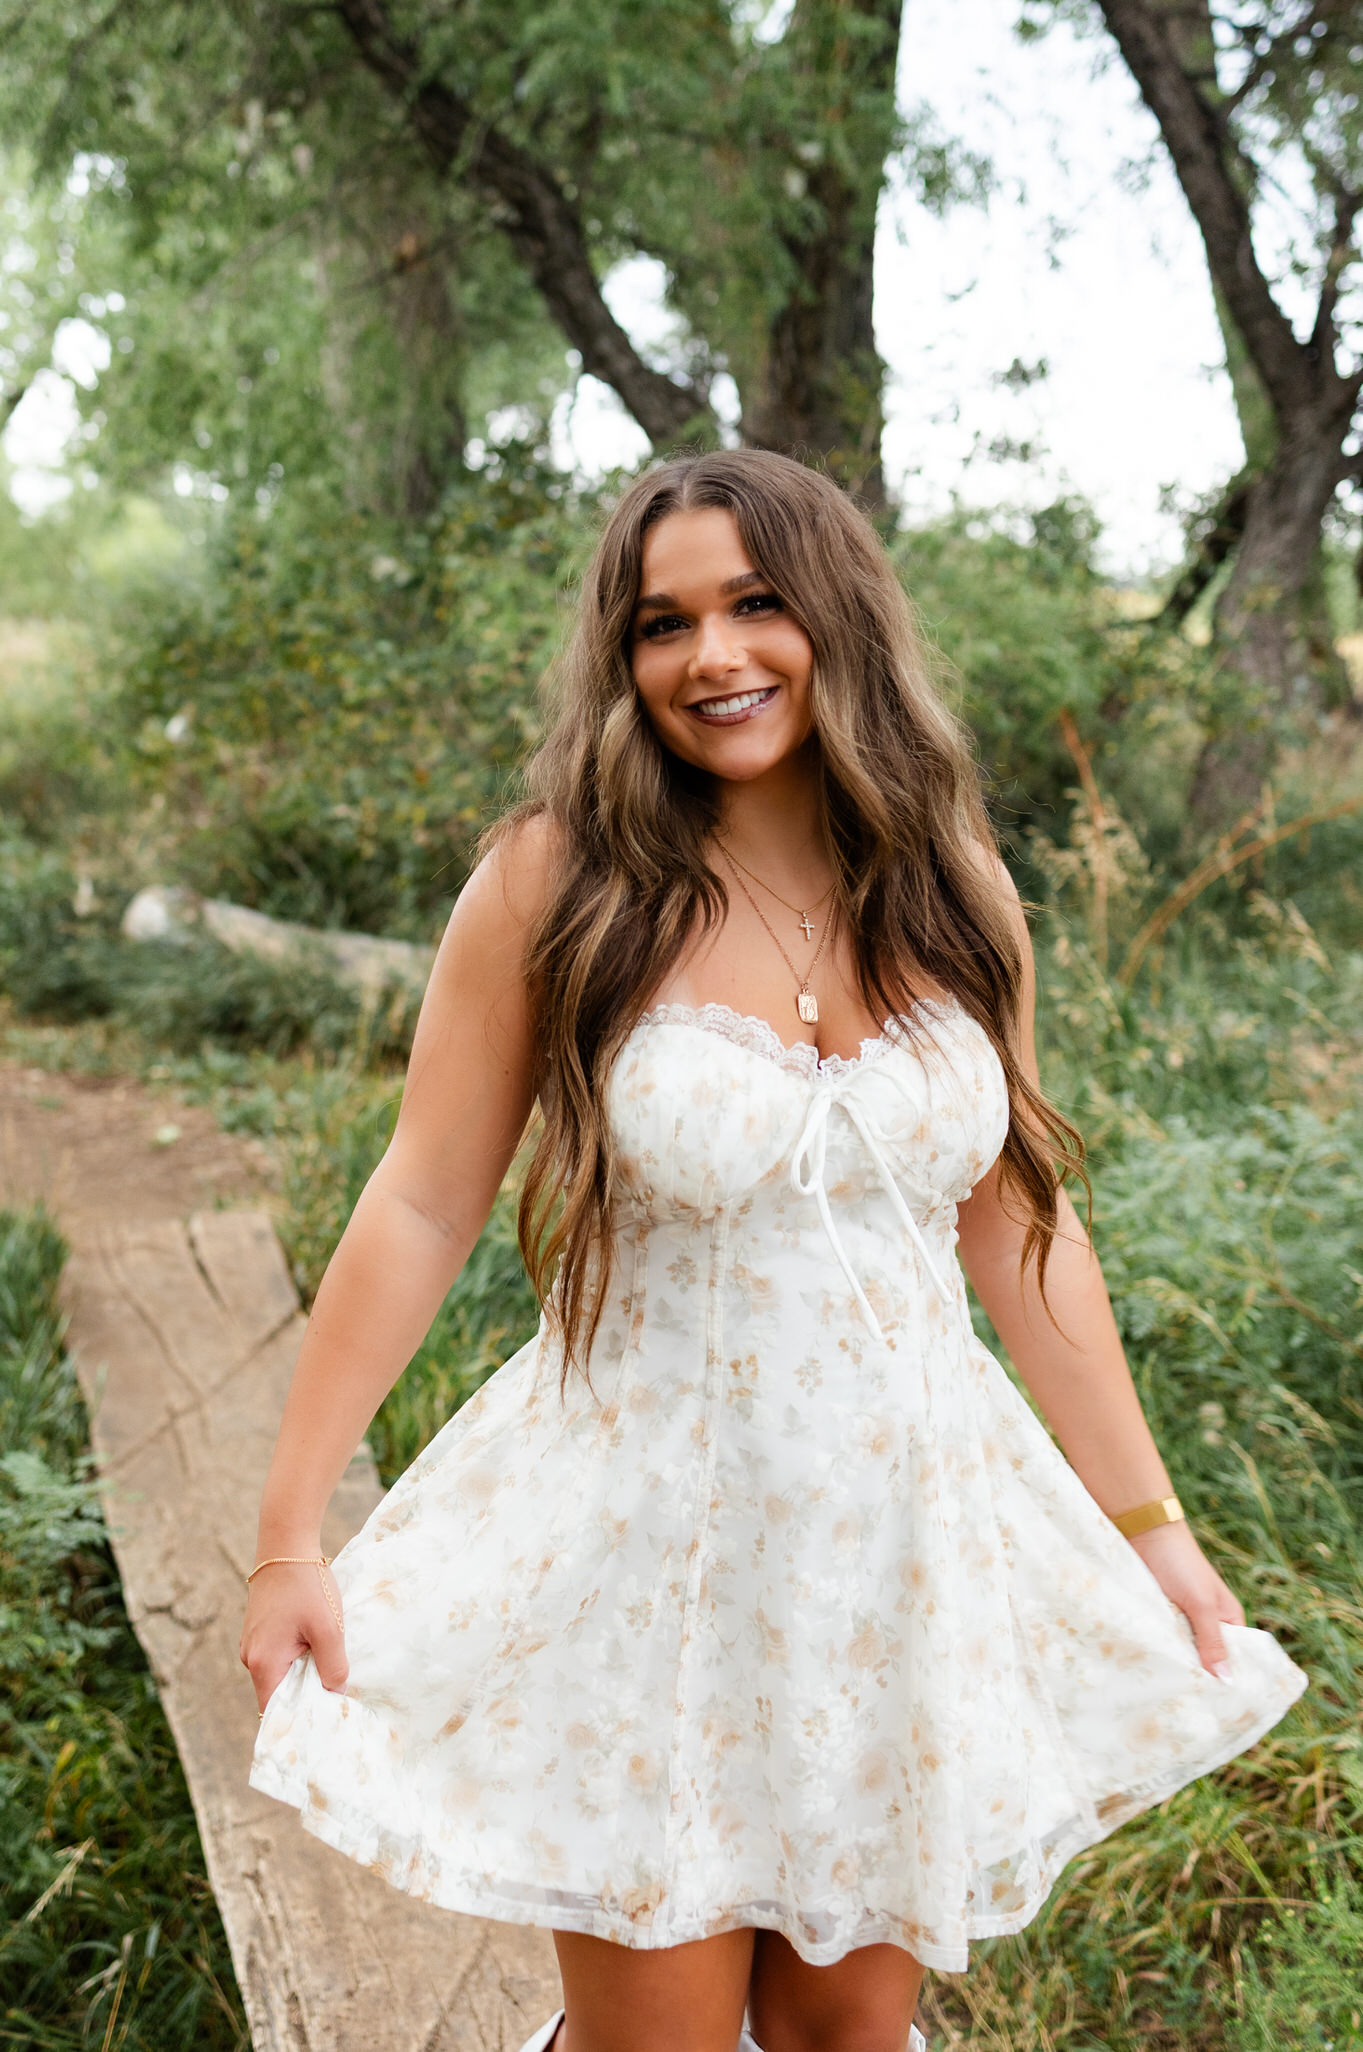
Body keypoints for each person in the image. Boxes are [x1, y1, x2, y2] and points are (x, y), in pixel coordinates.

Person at [240, 451, 1303, 2052]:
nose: (714, 657)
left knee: (842, 2041)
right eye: (664, 624)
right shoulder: (560, 883)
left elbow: (1019, 1221)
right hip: (649, 1547)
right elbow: (419, 1202)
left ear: (839, 618)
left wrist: (1149, 1521)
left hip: (899, 1553)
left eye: (755, 603)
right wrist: (288, 1533)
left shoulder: (958, 892)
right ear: (625, 657)